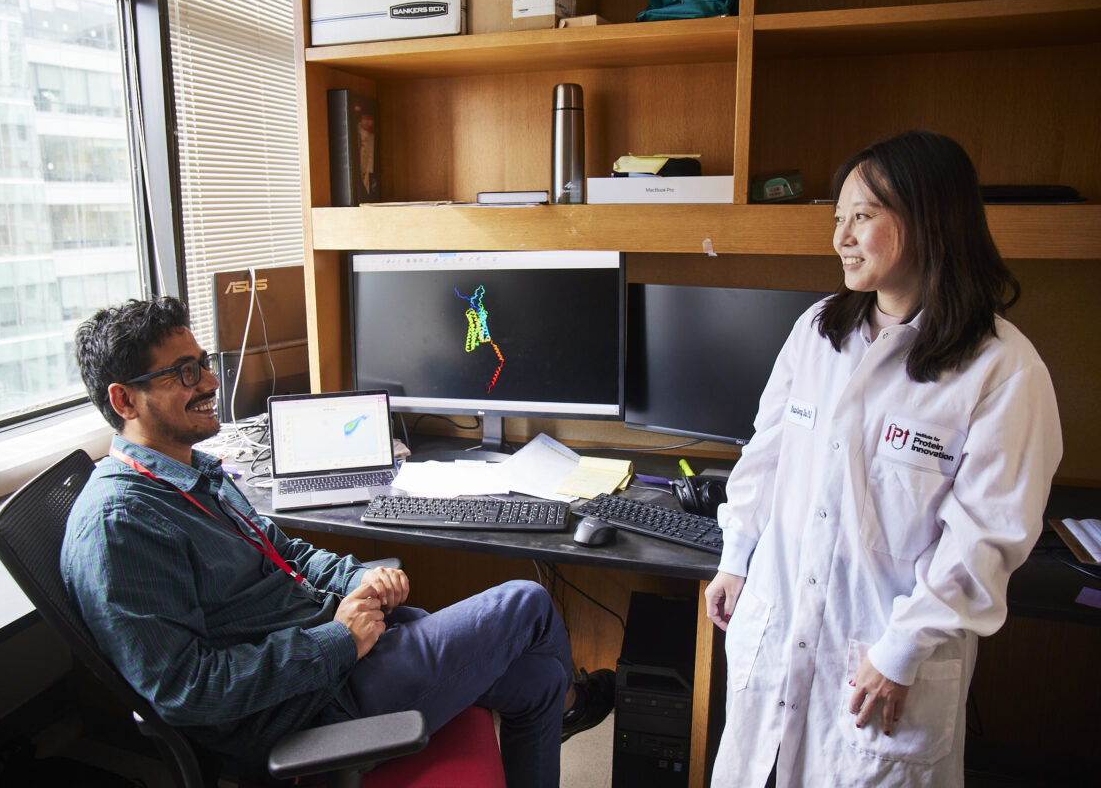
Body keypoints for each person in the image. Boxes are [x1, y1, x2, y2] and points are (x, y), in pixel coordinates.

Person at [63, 296, 614, 787]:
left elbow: (290, 556)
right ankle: (573, 706)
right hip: (307, 708)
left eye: (204, 363)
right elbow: (188, 689)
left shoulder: (195, 473)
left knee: (540, 677)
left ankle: (562, 704)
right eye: (183, 373)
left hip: (341, 649)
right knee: (526, 601)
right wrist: (337, 640)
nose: (207, 383)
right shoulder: (122, 524)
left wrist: (357, 578)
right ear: (125, 400)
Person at [703, 130, 1062, 787]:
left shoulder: (1002, 370)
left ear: (930, 219)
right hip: (779, 626)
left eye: (862, 216)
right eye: (838, 218)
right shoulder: (818, 331)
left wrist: (899, 653)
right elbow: (766, 455)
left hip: (886, 660)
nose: (840, 236)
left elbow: (985, 539)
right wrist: (735, 558)